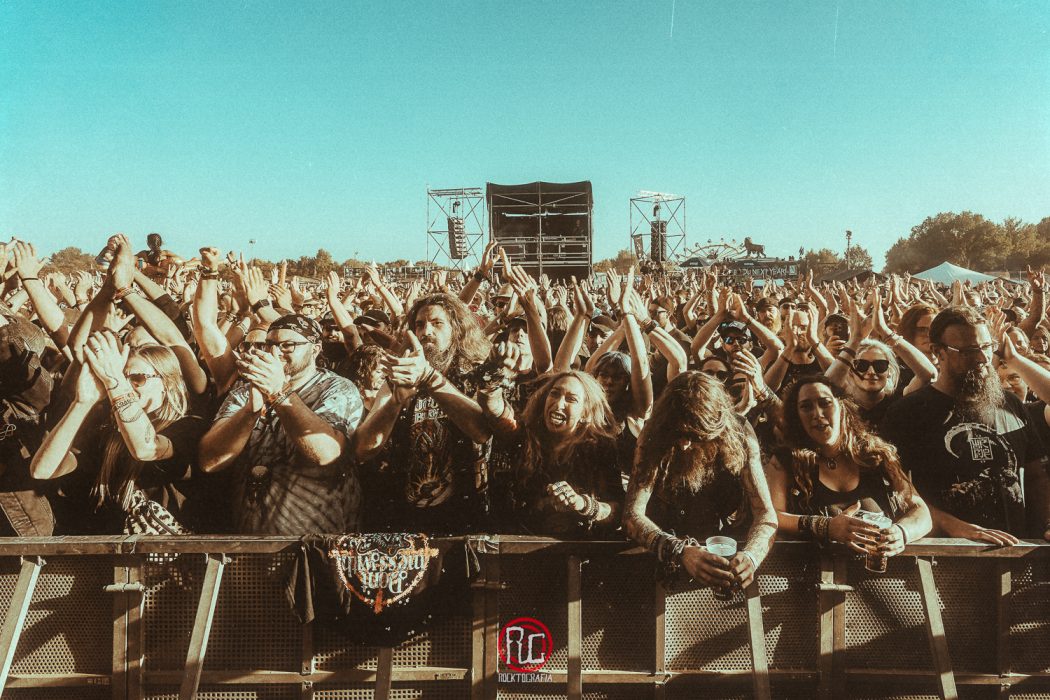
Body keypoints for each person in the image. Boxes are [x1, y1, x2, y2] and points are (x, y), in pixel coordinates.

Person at [881, 306, 1050, 544]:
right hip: (943, 553)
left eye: (987, 347)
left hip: (1013, 551)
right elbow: (895, 490)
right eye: (969, 351)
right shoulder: (907, 413)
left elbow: (1035, 477)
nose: (983, 358)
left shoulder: (1010, 404)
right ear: (938, 352)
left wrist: (1046, 524)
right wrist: (952, 526)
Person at [198, 314, 364, 534]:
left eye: (288, 345)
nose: (275, 353)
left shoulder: (337, 388)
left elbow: (326, 453)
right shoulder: (243, 392)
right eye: (270, 345)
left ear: (315, 349)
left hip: (317, 539)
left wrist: (279, 393)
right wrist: (249, 412)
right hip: (250, 539)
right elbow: (209, 461)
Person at [32, 335, 207, 534]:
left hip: (164, 550)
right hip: (106, 548)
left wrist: (115, 381)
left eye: (137, 379)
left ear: (168, 384)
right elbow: (43, 470)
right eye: (124, 377)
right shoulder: (106, 431)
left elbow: (147, 448)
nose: (128, 385)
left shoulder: (189, 426)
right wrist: (82, 403)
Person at [624, 371, 778, 596]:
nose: (684, 445)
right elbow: (632, 515)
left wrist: (752, 556)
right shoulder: (654, 433)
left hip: (720, 561)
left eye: (694, 435)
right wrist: (679, 551)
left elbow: (765, 513)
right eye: (678, 434)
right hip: (660, 562)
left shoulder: (740, 433)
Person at [353, 293, 492, 534]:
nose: (426, 331)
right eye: (419, 325)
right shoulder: (397, 378)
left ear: (456, 330)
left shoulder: (475, 373)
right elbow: (363, 449)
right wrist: (395, 402)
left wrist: (428, 377)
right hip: (405, 516)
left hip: (465, 515)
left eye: (437, 323)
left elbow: (481, 432)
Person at [766, 376, 931, 555]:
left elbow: (921, 511)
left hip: (884, 570)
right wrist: (826, 526)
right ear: (797, 416)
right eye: (806, 407)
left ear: (842, 406)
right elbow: (772, 516)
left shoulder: (875, 455)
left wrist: (902, 533)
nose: (817, 414)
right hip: (814, 569)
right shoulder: (785, 461)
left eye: (825, 403)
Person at [488, 371, 624, 537]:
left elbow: (618, 513)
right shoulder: (526, 436)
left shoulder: (600, 449)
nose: (559, 404)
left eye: (571, 399)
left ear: (585, 413)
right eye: (554, 394)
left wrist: (582, 504)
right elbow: (495, 409)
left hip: (580, 546)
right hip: (520, 542)